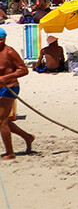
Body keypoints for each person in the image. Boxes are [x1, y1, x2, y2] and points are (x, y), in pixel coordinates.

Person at [0, 28, 34, 160]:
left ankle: (10, 153)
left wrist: (6, 77)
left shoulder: (9, 52)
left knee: (1, 120)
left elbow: (24, 70)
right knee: (4, 120)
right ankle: (27, 137)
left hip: (10, 88)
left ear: (3, 40)